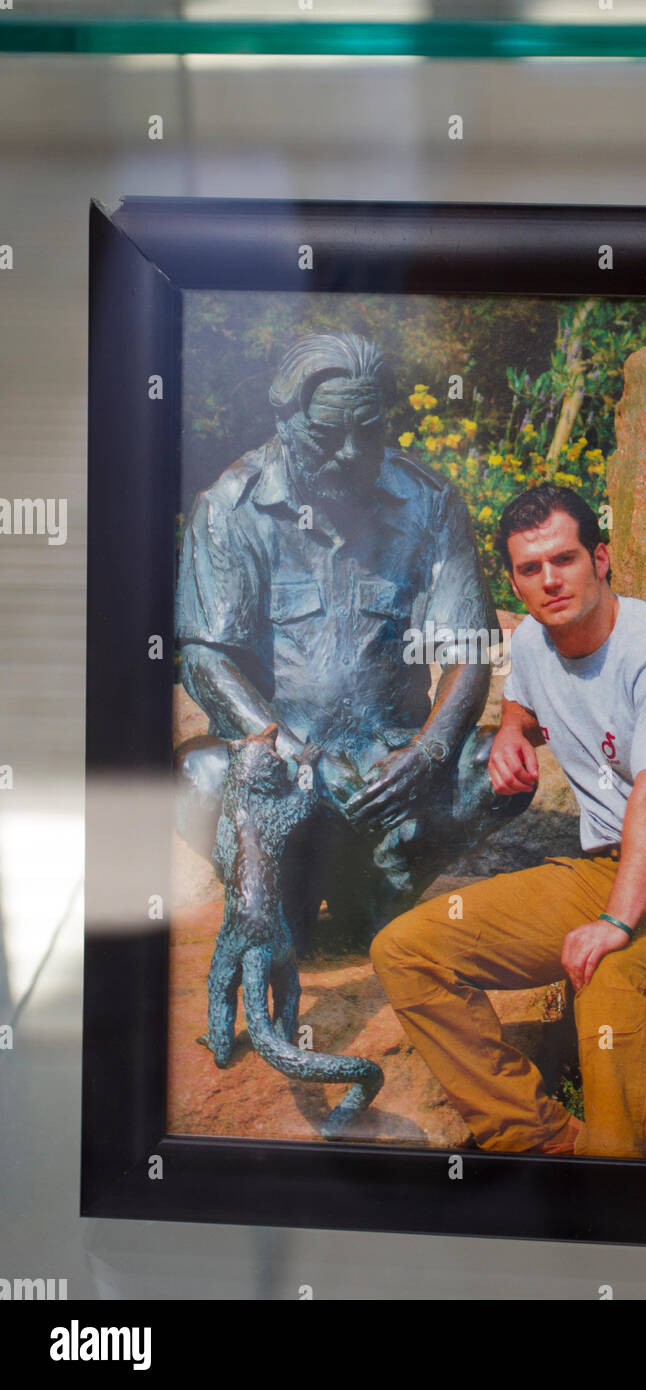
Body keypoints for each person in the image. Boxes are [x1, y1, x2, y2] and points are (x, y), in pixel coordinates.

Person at [370, 483, 646, 1158]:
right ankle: (540, 1144)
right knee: (404, 948)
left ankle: (617, 1193)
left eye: (564, 559)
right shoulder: (531, 641)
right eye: (530, 569)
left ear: (601, 558)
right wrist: (510, 734)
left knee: (609, 981)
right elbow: (525, 705)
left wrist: (615, 923)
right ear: (516, 583)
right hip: (610, 867)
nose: (550, 580)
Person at [175, 331, 530, 962]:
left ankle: (383, 888)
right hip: (283, 778)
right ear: (284, 422)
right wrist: (295, 755)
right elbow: (207, 659)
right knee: (197, 775)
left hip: (392, 778)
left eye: (368, 430)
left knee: (497, 769)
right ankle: (286, 895)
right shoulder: (230, 508)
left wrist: (426, 754)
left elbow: (468, 649)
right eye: (326, 434)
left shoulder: (431, 503)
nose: (350, 452)